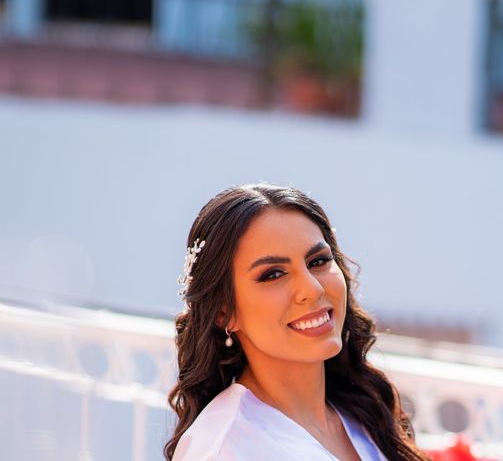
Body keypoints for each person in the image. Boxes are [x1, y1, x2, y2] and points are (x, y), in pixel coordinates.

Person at [165, 184, 428, 461]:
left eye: (318, 261)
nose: (312, 289)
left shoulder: (362, 412)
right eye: (273, 274)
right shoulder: (225, 448)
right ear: (223, 311)